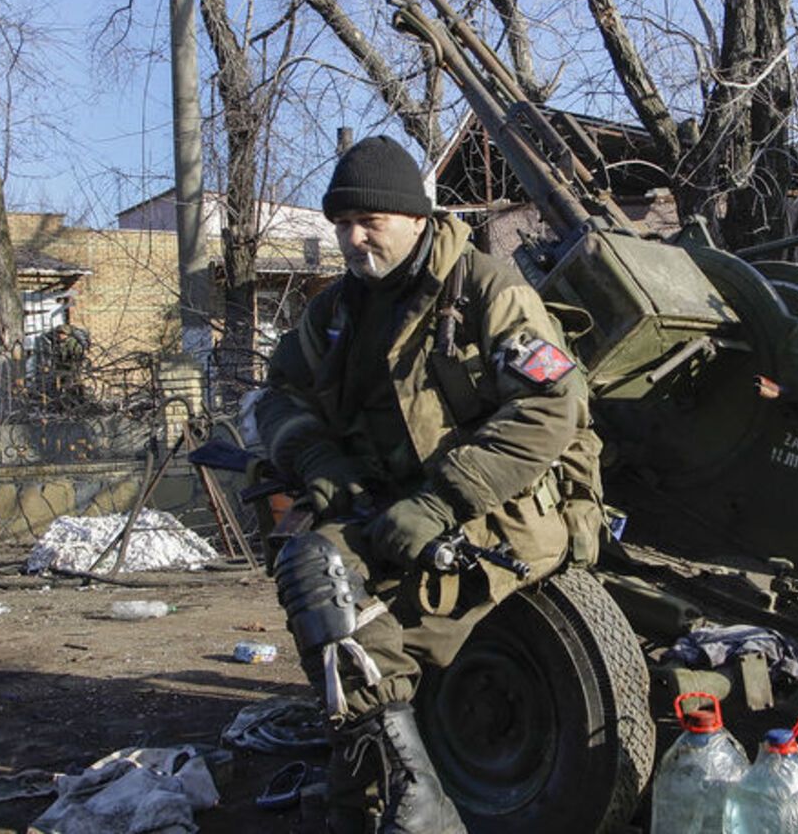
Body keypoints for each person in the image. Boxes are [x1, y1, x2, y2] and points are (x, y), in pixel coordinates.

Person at [255, 135, 603, 834]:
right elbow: (276, 395)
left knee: (372, 623)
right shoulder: (336, 314)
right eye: (341, 223)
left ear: (415, 216)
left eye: (369, 222)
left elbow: (552, 406)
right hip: (391, 503)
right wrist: (323, 463)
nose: (353, 238)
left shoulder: (484, 289)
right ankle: (398, 791)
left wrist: (441, 498)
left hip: (501, 504)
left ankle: (400, 795)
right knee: (313, 572)